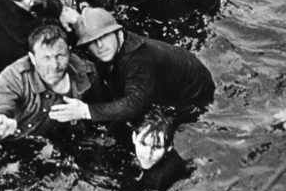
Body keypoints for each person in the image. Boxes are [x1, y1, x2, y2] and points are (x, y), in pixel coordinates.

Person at [49, 7, 214, 126]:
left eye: (104, 37)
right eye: (91, 42)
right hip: (169, 80)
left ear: (118, 33)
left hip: (194, 100)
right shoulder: (121, 44)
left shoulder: (139, 60)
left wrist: (85, 111)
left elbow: (135, 103)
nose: (99, 46)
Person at [0, 22, 101, 142]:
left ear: (69, 52)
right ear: (32, 58)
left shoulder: (87, 72)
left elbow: (99, 109)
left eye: (60, 56)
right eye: (46, 58)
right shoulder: (14, 77)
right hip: (21, 140)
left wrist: (85, 112)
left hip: (62, 138)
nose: (54, 65)